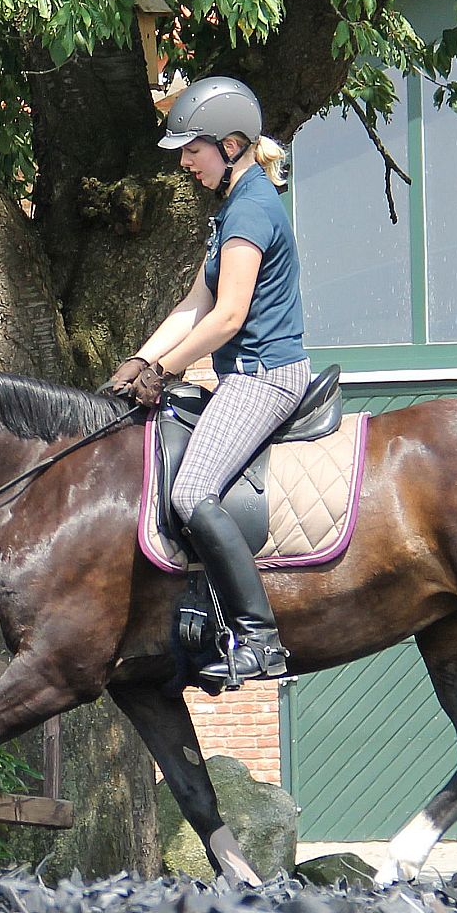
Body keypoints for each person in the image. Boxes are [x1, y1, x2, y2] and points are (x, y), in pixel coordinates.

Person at [104, 76, 309, 684]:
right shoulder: (231, 209)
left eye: (193, 150)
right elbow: (196, 303)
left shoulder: (251, 210)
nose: (185, 162)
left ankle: (260, 639)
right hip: (240, 376)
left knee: (191, 491)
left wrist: (167, 369)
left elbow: (228, 317)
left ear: (232, 144)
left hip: (264, 377)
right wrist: (138, 361)